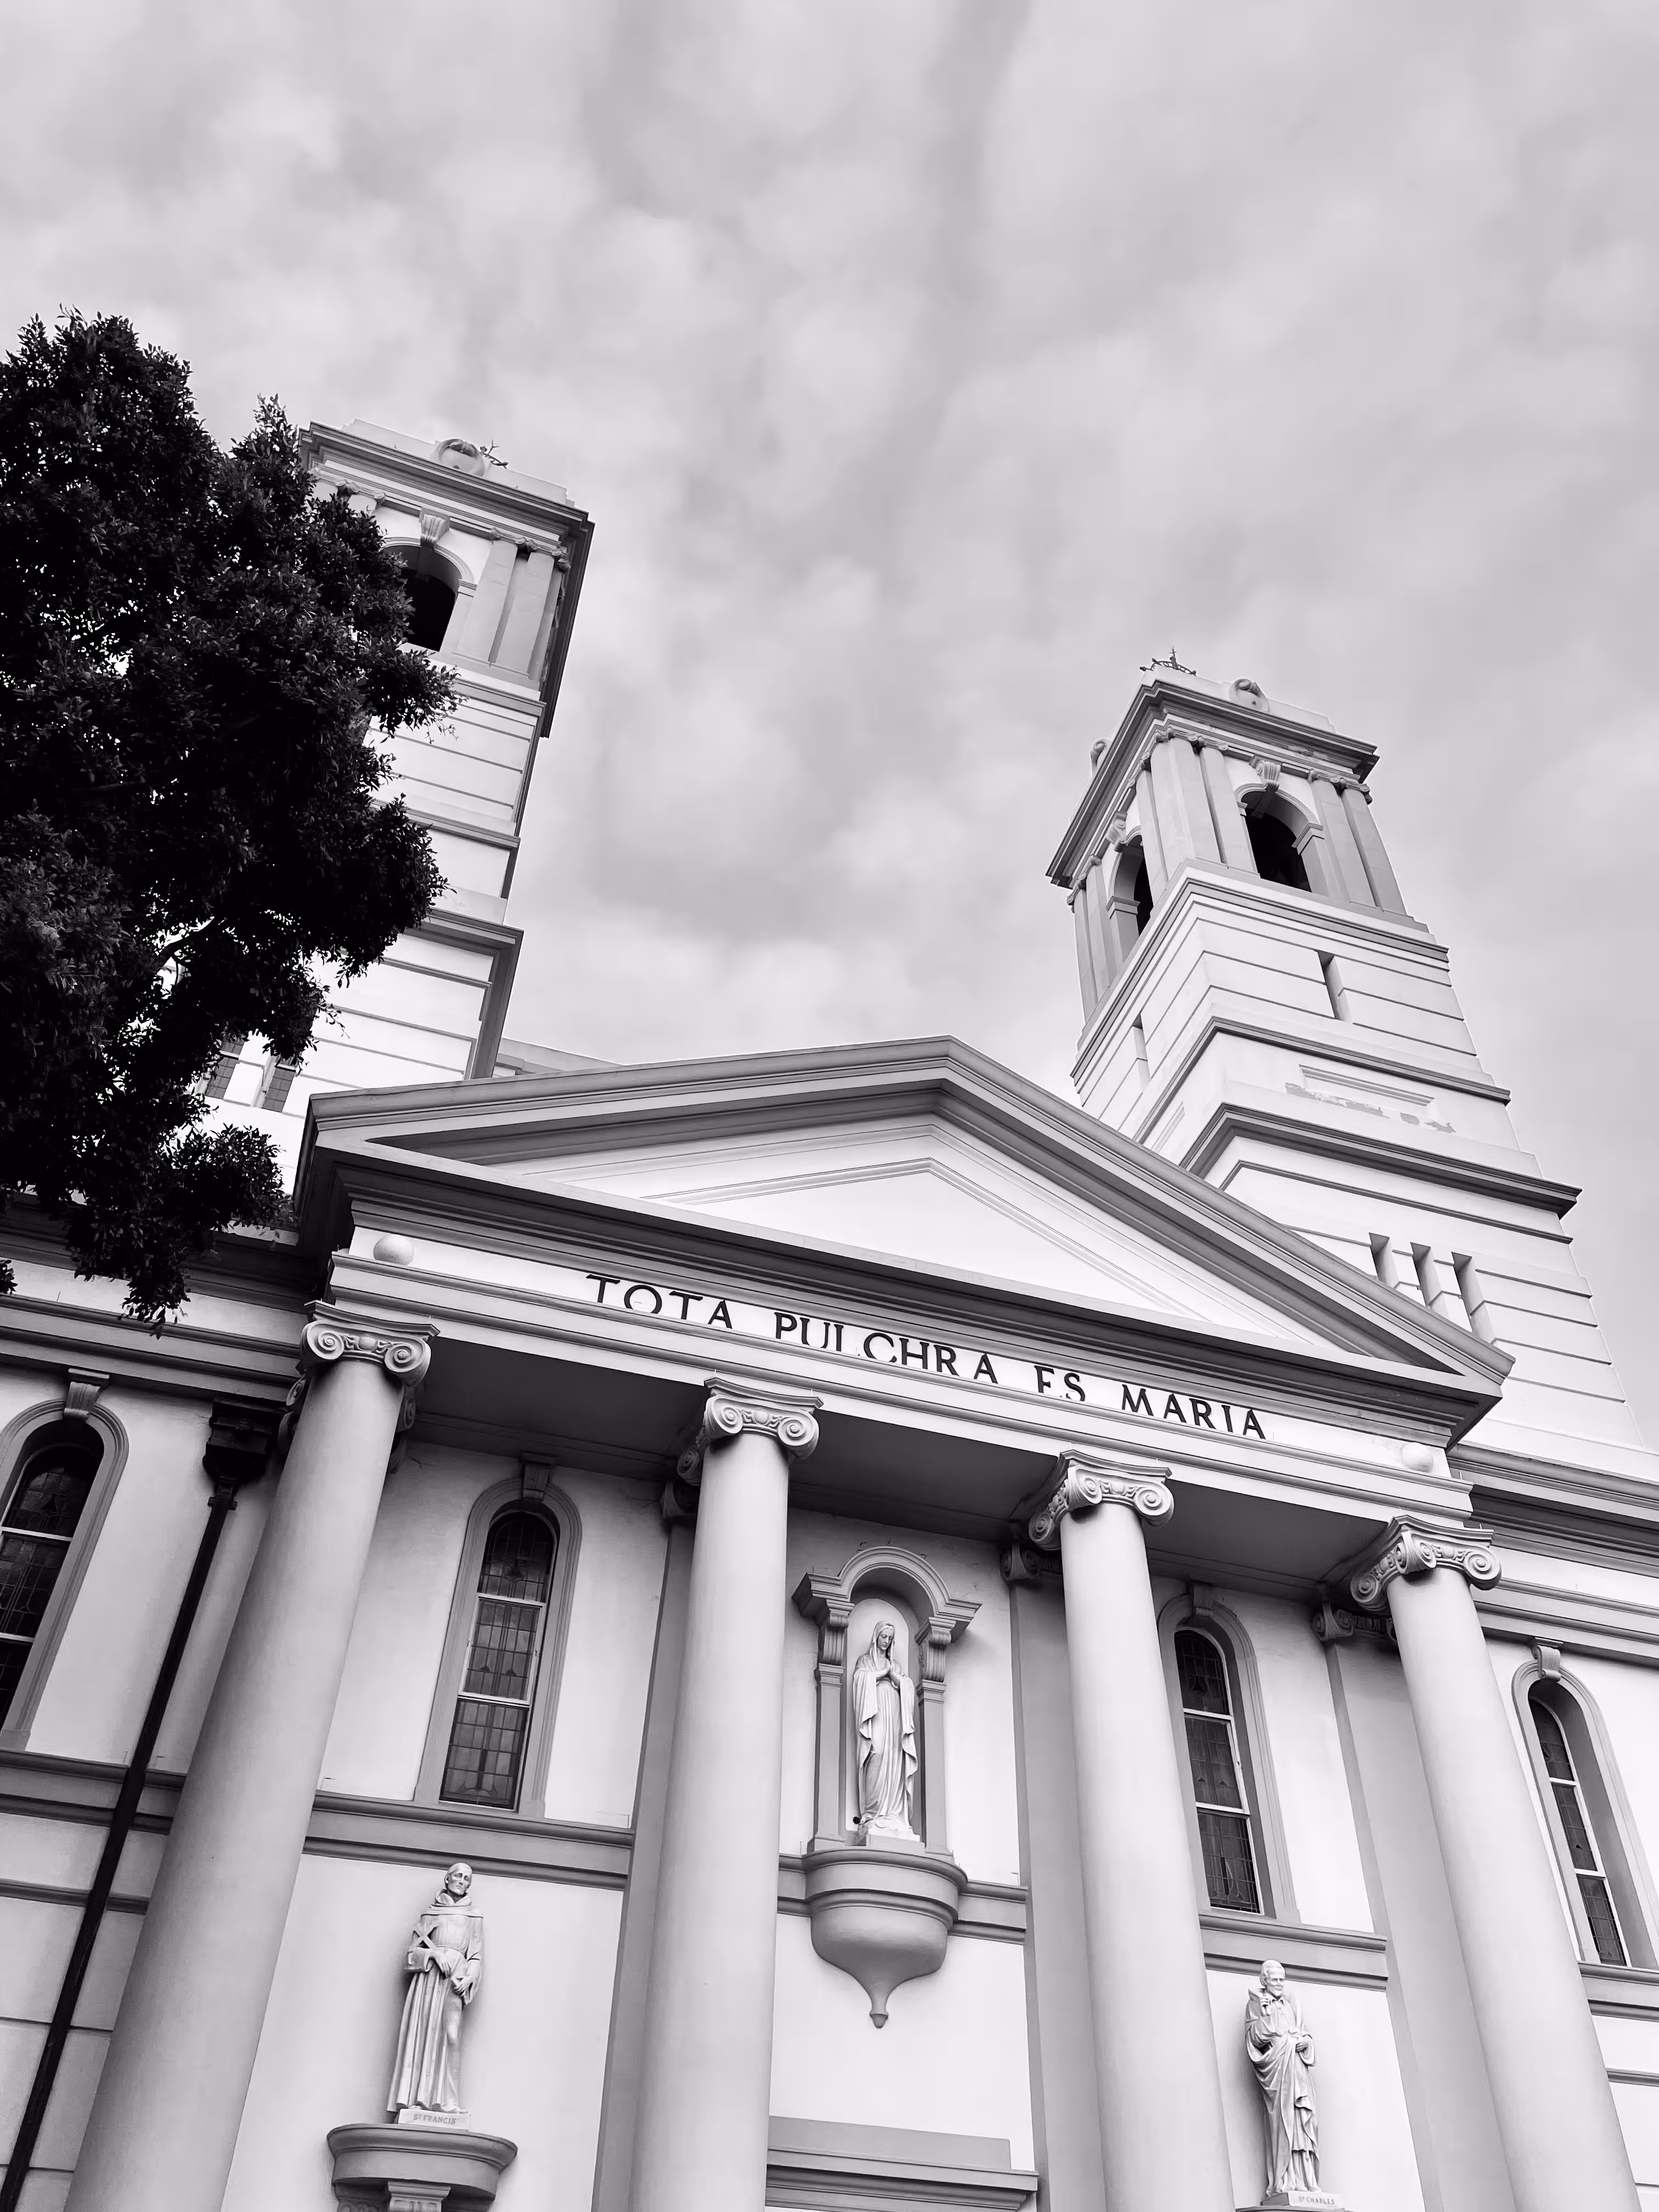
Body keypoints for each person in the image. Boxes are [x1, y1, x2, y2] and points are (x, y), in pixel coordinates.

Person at [388, 1861, 484, 2118]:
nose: (462, 1881)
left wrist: (468, 1978)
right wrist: (432, 1955)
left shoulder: (474, 1916)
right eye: (458, 1876)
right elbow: (411, 1953)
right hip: (429, 1978)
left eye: (467, 1878)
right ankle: (416, 2101)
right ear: (447, 1879)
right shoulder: (430, 1914)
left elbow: (476, 1955)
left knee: (450, 2036)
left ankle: (447, 2102)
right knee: (423, 2032)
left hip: (455, 1977)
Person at [1244, 1959, 1321, 2199]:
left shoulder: (1290, 2005)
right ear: (1264, 1981)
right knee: (1285, 2127)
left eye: (1282, 1979)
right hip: (1279, 2076)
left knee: (1306, 2123)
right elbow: (1255, 2040)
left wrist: (1304, 2042)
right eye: (1274, 1979)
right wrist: (1266, 2014)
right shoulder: (1256, 2006)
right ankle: (1286, 2180)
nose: (1279, 1984)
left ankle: (1308, 2180)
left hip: (1298, 2072)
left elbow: (1305, 2033)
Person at [850, 1621, 919, 1842]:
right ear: (876, 1637)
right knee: (877, 1752)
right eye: (883, 1637)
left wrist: (894, 1676)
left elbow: (907, 1688)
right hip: (876, 1714)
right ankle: (873, 1812)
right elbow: (860, 1680)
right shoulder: (865, 1661)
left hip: (895, 1716)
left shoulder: (895, 1665)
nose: (886, 1641)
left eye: (890, 1638)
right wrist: (881, 1674)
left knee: (894, 1757)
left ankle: (893, 1815)